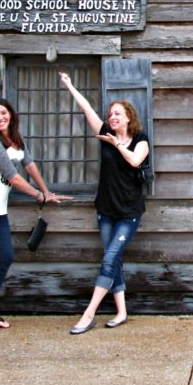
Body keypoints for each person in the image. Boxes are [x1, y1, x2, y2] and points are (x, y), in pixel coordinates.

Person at [0, 97, 67, 332]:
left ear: (11, 114)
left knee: (5, 257)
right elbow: (13, 177)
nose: (0, 118)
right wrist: (39, 196)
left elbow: (29, 165)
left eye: (3, 113)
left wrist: (46, 191)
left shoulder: (15, 139)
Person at [59, 70, 150, 334]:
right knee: (114, 260)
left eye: (117, 114)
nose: (112, 117)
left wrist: (117, 144)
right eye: (110, 114)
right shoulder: (104, 133)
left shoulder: (141, 140)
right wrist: (70, 85)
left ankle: (89, 314)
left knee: (109, 259)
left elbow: (135, 161)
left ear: (128, 117)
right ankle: (121, 312)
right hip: (106, 211)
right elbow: (86, 107)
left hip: (129, 212)